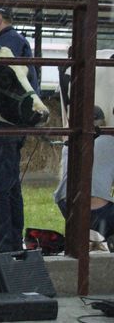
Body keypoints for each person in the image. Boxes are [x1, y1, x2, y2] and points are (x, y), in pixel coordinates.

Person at [0, 6, 38, 252]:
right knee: (9, 185)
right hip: (8, 124)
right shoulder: (11, 41)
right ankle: (11, 245)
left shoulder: (8, 44)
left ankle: (2, 247)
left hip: (4, 123)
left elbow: (5, 82)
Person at [54, 106, 114, 251]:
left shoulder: (70, 143)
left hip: (66, 203)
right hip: (98, 209)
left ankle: (92, 238)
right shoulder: (110, 141)